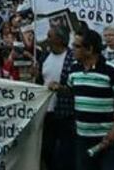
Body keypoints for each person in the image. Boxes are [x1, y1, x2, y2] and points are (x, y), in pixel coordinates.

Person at [66, 29, 114, 170]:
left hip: (107, 139)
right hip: (82, 139)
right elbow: (71, 91)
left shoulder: (110, 70)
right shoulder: (74, 69)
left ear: (89, 49)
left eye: (77, 46)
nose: (72, 49)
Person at [40, 26, 76, 170]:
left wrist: (60, 88)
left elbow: (76, 86)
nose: (46, 39)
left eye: (50, 36)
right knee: (47, 148)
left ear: (59, 40)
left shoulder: (73, 58)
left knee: (65, 151)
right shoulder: (44, 57)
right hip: (47, 110)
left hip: (66, 112)